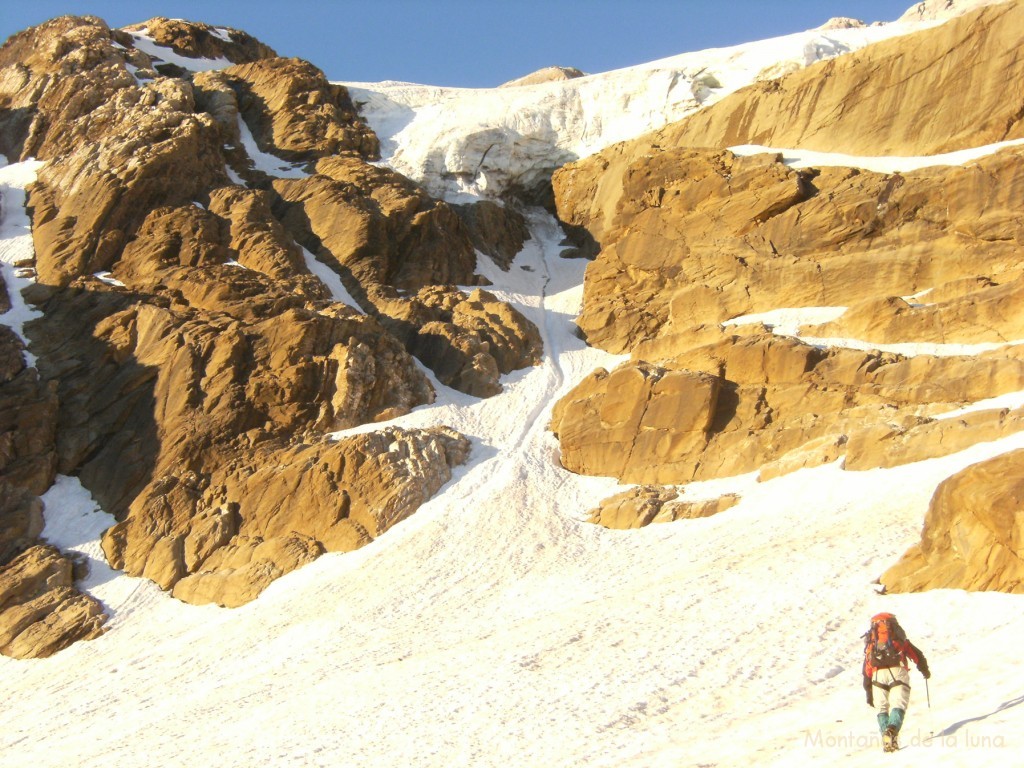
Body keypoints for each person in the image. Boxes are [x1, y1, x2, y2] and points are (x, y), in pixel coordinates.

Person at [862, 612, 930, 752]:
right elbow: (917, 655)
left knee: (882, 708)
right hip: (898, 671)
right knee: (898, 704)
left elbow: (866, 669)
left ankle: (887, 740)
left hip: (877, 675)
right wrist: (924, 671)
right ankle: (892, 730)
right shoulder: (899, 639)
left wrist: (869, 692)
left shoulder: (871, 644)